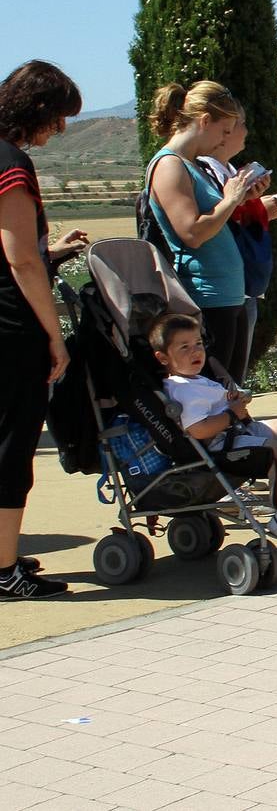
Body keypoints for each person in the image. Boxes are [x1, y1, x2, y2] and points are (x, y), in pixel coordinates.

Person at [0, 60, 86, 600]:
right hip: (11, 325)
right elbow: (20, 261)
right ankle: (4, 571)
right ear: (36, 110)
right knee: (11, 446)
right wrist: (54, 335)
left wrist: (48, 251)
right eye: (57, 118)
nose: (58, 130)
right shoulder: (11, 163)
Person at [149, 312, 277, 552]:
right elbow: (198, 430)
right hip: (222, 444)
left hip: (235, 430)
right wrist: (231, 414)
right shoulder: (182, 390)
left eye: (198, 344)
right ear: (163, 358)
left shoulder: (196, 380)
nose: (195, 351)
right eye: (184, 347)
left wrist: (234, 401)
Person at [147, 81, 270, 382]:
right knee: (214, 391)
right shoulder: (169, 166)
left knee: (231, 389)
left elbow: (215, 218)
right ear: (204, 121)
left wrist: (242, 198)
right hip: (207, 296)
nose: (223, 141)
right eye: (224, 131)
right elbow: (192, 232)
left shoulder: (193, 165)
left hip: (228, 293)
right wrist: (230, 198)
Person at [197, 108, 277, 378]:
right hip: (222, 286)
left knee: (235, 371)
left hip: (240, 283)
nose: (246, 131)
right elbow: (219, 219)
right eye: (240, 124)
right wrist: (257, 202)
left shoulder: (228, 170)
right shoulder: (205, 172)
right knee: (223, 374)